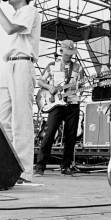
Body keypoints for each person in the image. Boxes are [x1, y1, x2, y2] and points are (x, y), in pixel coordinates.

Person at [0, 0, 41, 185]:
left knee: (21, 118)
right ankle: (7, 165)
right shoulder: (17, 13)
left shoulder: (30, 10)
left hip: (22, 64)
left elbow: (11, 29)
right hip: (9, 64)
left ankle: (25, 171)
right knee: (2, 118)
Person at [35, 40, 81, 176]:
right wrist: (50, 87)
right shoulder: (52, 65)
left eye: (71, 53)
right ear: (61, 52)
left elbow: (81, 87)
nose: (69, 56)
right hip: (56, 104)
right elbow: (39, 81)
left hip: (72, 103)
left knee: (71, 137)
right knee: (49, 135)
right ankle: (40, 166)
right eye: (67, 53)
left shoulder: (78, 67)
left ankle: (66, 166)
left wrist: (76, 90)